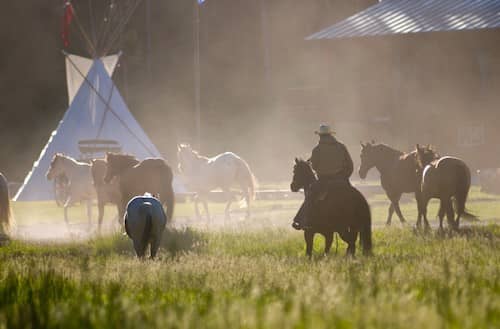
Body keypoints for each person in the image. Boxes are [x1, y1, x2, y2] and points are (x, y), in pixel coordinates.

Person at [292, 124, 353, 230]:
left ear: (320, 136)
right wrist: (344, 177)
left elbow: (314, 166)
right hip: (341, 180)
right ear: (330, 135)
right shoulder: (342, 146)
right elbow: (350, 165)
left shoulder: (317, 149)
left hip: (324, 181)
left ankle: (301, 221)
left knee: (310, 196)